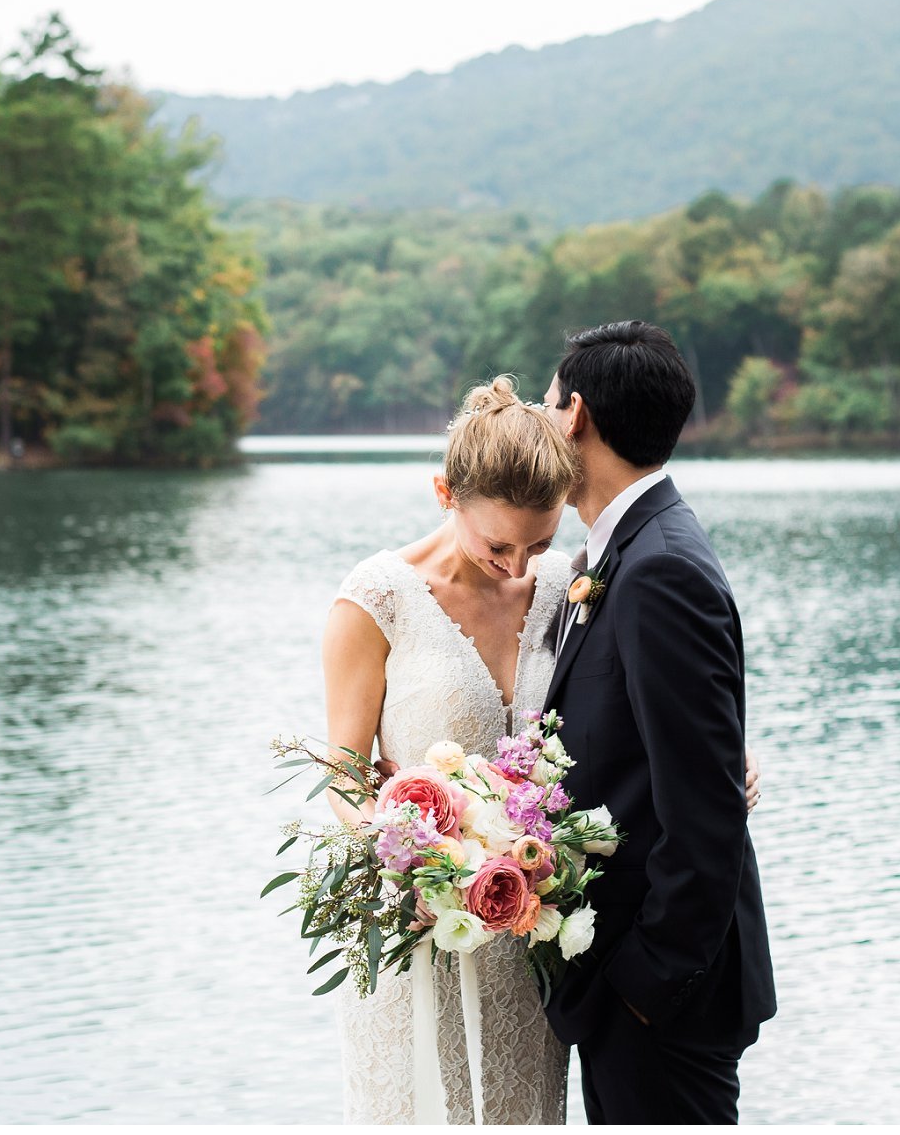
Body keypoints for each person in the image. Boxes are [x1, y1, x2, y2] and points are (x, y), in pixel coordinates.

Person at [321, 369, 762, 1124]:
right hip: (431, 931)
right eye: (499, 544)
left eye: (540, 541)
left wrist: (723, 765)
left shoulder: (571, 585)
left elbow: (635, 713)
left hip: (536, 940)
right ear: (444, 495)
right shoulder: (375, 601)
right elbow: (342, 778)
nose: (519, 566)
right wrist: (419, 860)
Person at [539, 320, 777, 1124]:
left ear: (575, 415)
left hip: (666, 997)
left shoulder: (659, 567)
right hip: (630, 985)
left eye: (546, 405)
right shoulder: (626, 553)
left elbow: (705, 807)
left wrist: (645, 982)